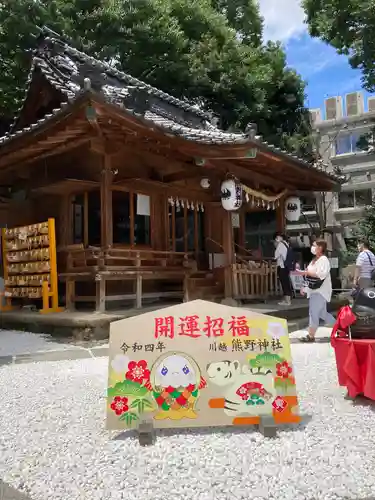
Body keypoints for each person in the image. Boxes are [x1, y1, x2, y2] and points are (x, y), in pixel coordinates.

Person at [297, 239, 335, 342]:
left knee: (313, 312)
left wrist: (305, 273)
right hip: (314, 290)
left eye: (314, 245)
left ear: (320, 247)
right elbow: (309, 276)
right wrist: (305, 286)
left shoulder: (323, 260)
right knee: (322, 314)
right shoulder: (314, 260)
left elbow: (320, 275)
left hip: (320, 291)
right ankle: (341, 328)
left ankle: (311, 335)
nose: (312, 247)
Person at [274, 232, 292, 306]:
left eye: (277, 237)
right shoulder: (286, 244)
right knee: (286, 283)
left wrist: (276, 245)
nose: (276, 239)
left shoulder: (281, 245)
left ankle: (287, 301)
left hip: (282, 266)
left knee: (284, 283)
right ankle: (287, 300)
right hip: (286, 266)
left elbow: (276, 255)